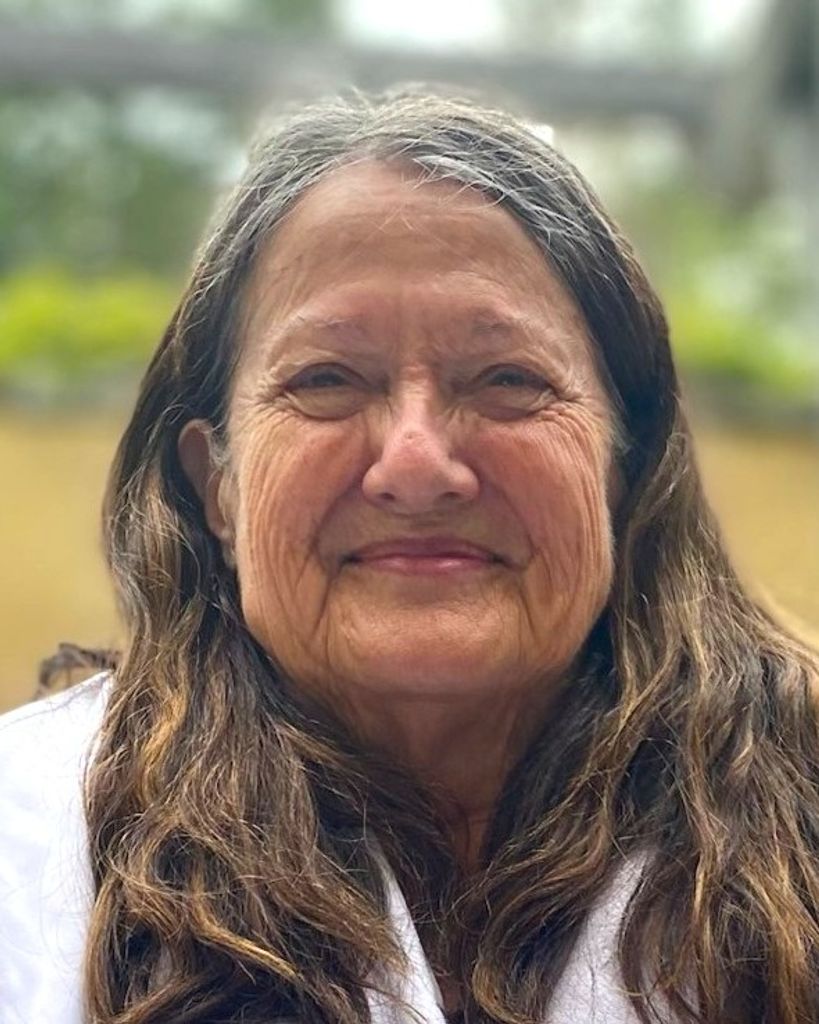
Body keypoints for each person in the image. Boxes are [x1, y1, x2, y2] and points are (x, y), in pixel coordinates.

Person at [1, 87, 818, 1024]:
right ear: (217, 485)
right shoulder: (24, 845)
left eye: (508, 379)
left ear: (622, 472)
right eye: (326, 380)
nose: (417, 466)